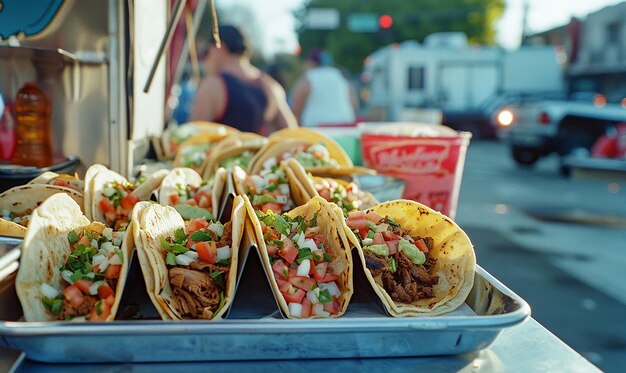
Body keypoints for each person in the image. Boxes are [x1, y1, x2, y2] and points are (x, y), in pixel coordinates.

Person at [189, 25, 297, 134]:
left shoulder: (212, 85)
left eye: (206, 52)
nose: (204, 60)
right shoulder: (271, 86)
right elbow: (292, 134)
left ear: (219, 46)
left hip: (220, 150)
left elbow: (193, 137)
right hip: (258, 150)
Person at [290, 49, 358, 127]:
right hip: (346, 125)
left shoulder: (308, 78)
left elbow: (296, 109)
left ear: (311, 62)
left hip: (317, 128)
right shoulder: (341, 75)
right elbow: (354, 103)